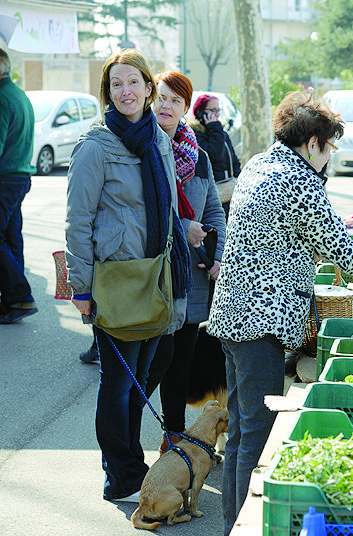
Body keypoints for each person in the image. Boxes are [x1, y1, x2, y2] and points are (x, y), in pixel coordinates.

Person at [206, 89, 353, 535]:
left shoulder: (260, 162)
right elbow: (344, 253)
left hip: (232, 313)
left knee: (240, 429)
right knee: (255, 433)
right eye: (329, 146)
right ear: (312, 142)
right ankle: (244, 527)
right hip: (262, 318)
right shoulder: (298, 181)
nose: (330, 155)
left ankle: (231, 525)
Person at [65, 49, 191, 503]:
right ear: (108, 92)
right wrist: (80, 288)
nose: (125, 92)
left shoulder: (157, 138)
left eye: (133, 82)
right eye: (116, 84)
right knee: (118, 384)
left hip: (156, 275)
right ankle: (121, 472)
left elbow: (171, 207)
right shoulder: (94, 146)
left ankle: (127, 459)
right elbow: (78, 222)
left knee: (146, 374)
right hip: (115, 281)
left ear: (148, 88)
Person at [143, 70, 227, 453]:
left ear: (185, 108)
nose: (167, 106)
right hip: (153, 274)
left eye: (176, 100)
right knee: (154, 359)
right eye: (162, 97)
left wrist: (218, 257)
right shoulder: (140, 147)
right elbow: (139, 212)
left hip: (192, 274)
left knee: (182, 357)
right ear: (150, 97)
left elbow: (214, 211)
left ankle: (173, 434)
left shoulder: (199, 155)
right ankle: (126, 445)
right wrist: (184, 227)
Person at [0, 48, 38, 324]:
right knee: (12, 238)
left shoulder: (2, 98)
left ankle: (20, 295)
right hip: (18, 177)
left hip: (5, 178)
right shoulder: (18, 93)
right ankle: (17, 301)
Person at [190, 94, 241, 215]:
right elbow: (215, 154)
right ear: (200, 112)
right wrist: (214, 127)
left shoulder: (220, 131)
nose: (217, 114)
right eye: (213, 110)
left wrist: (238, 181)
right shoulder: (196, 134)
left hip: (228, 192)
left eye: (218, 110)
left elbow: (233, 160)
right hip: (211, 196)